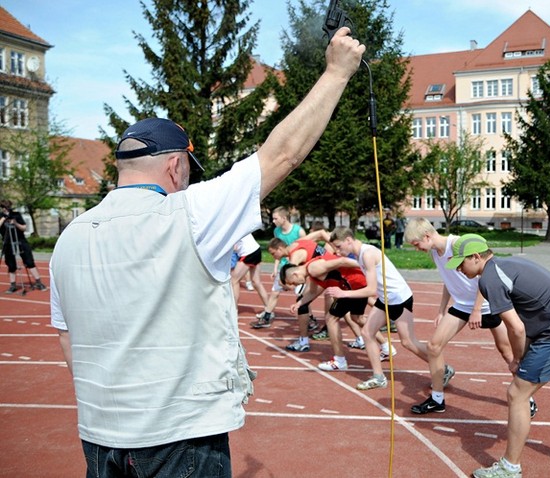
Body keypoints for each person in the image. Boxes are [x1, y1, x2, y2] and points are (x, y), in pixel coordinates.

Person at [50, 28, 365, 477]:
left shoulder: (69, 237)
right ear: (175, 165)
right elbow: (283, 155)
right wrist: (336, 73)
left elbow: (68, 337)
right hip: (178, 434)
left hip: (100, 436)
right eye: (188, 172)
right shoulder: (187, 212)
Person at [447, 234, 550, 478]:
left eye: (460, 262)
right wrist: (524, 354)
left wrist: (518, 360)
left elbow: (516, 328)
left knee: (517, 394)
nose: (457, 268)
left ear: (476, 257)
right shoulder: (507, 264)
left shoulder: (490, 279)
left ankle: (510, 467)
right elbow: (528, 321)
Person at [404, 218, 540, 417]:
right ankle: (437, 399)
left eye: (417, 244)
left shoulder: (459, 244)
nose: (417, 249)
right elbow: (448, 280)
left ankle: (527, 398)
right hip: (461, 305)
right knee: (434, 346)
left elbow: (485, 276)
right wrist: (442, 310)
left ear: (427, 236)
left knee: (508, 353)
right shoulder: (435, 253)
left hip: (488, 303)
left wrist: (477, 309)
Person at [327, 227, 453, 391]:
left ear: (348, 240)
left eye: (338, 246)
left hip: (399, 298)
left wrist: (343, 293)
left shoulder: (367, 254)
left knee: (407, 342)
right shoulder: (359, 254)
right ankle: (379, 377)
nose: (337, 251)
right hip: (386, 298)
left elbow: (370, 290)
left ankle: (443, 369)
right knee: (367, 333)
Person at [280, 256, 390, 371]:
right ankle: (386, 347)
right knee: (356, 318)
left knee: (331, 319)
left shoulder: (314, 268)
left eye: (292, 283)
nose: (295, 286)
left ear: (295, 275)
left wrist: (370, 267)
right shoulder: (311, 271)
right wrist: (299, 304)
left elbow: (342, 261)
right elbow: (312, 292)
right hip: (355, 284)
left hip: (352, 285)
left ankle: (339, 361)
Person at [250, 206, 307, 328]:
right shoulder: (277, 232)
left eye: (275, 218)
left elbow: (306, 248)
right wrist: (275, 268)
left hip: (297, 268)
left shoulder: (299, 231)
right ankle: (266, 317)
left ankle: (310, 319)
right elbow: (277, 251)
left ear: (284, 218)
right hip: (283, 266)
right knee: (275, 292)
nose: (273, 221)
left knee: (301, 295)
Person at [0, 199, 47, 292]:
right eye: (4, 208)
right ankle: (13, 285)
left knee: (29, 261)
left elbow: (24, 227)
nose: (7, 209)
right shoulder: (1, 216)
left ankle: (38, 282)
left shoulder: (16, 214)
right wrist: (3, 218)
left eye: (8, 207)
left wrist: (16, 223)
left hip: (20, 240)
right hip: (8, 242)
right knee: (11, 264)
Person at [230, 233, 269, 312]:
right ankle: (269, 309)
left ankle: (233, 310)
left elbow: (234, 248)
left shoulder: (229, 226)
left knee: (234, 280)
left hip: (248, 252)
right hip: (256, 249)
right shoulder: (239, 223)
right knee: (256, 282)